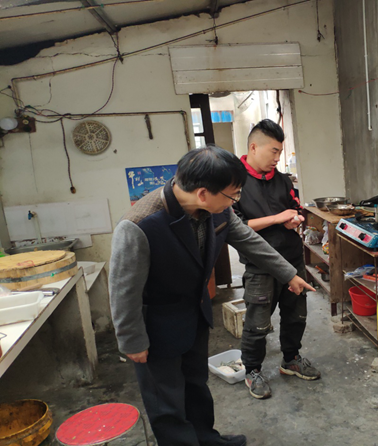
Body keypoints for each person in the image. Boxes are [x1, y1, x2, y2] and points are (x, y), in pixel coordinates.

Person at [109, 146, 315, 446]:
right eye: (233, 195)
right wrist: (132, 341)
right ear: (203, 194)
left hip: (195, 314)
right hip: (156, 325)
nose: (235, 201)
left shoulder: (216, 210)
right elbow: (123, 290)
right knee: (166, 401)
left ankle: (206, 439)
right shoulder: (139, 225)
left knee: (196, 386)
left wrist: (289, 274)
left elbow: (249, 241)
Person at [232, 119, 321, 400]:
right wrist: (276, 218)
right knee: (258, 322)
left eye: (280, 152)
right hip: (260, 265)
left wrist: (294, 219)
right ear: (253, 147)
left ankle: (291, 359)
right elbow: (235, 227)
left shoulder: (282, 180)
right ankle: (253, 370)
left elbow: (295, 207)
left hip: (292, 259)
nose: (277, 158)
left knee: (296, 314)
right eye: (273, 151)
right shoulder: (235, 183)